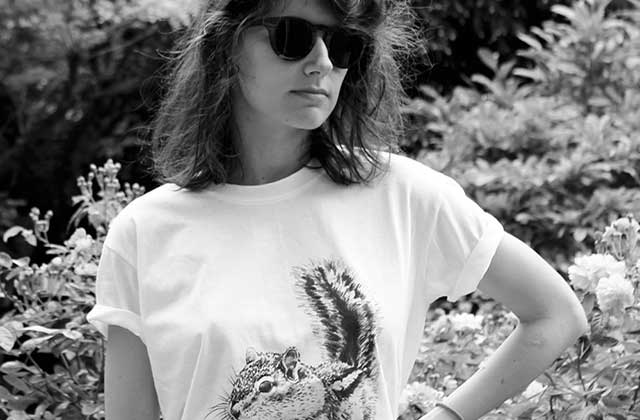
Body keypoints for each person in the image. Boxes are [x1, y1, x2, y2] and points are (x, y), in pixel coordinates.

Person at [86, 0, 589, 419]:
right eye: (292, 37)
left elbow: (555, 314)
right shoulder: (146, 232)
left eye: (345, 45)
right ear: (227, 44)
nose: (323, 62)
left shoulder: (403, 196)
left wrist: (446, 415)